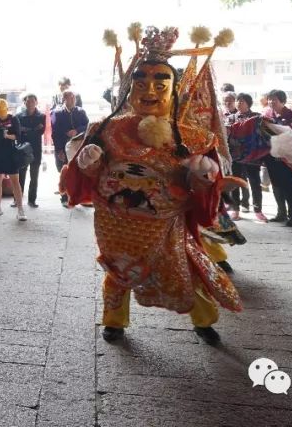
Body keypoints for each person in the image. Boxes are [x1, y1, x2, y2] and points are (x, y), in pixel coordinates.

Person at [62, 26, 242, 346]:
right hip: (115, 220)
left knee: (179, 270)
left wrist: (203, 177)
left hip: (165, 223)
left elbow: (205, 185)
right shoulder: (107, 129)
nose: (150, 90)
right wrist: (88, 162)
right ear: (130, 87)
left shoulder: (192, 136)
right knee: (118, 272)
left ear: (174, 88)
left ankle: (203, 320)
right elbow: (86, 175)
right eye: (141, 82)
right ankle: (113, 321)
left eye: (160, 83)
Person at [263, 90, 292, 226]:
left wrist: (274, 129)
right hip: (271, 156)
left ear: (283, 101)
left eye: (274, 100)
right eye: (269, 99)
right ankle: (281, 213)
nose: (271, 102)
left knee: (288, 185)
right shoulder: (266, 114)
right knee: (276, 185)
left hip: (286, 157)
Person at [0, 98, 26, 221]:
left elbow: (18, 136)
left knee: (15, 181)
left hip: (10, 152)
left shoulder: (13, 119)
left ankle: (20, 209)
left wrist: (7, 135)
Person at [226, 94, 260, 218]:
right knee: (235, 182)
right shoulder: (230, 118)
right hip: (235, 156)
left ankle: (258, 210)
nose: (239, 103)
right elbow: (227, 136)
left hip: (253, 156)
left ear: (248, 103)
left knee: (255, 183)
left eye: (242, 101)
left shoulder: (257, 117)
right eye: (238, 101)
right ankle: (236, 209)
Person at [17, 93, 46, 207]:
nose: (30, 104)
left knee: (34, 176)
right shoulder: (19, 116)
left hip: (36, 149)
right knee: (21, 175)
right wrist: (34, 129)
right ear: (24, 103)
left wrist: (26, 130)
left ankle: (32, 200)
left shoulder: (42, 116)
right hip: (22, 150)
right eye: (28, 101)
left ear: (36, 103)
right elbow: (18, 131)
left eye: (32, 101)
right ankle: (17, 200)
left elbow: (41, 132)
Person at [51, 90, 89, 172]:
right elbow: (55, 133)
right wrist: (59, 150)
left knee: (78, 171)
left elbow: (87, 126)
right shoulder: (57, 113)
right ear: (64, 100)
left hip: (78, 146)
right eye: (70, 98)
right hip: (63, 146)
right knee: (64, 172)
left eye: (74, 97)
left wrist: (77, 131)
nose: (73, 99)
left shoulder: (81, 111)